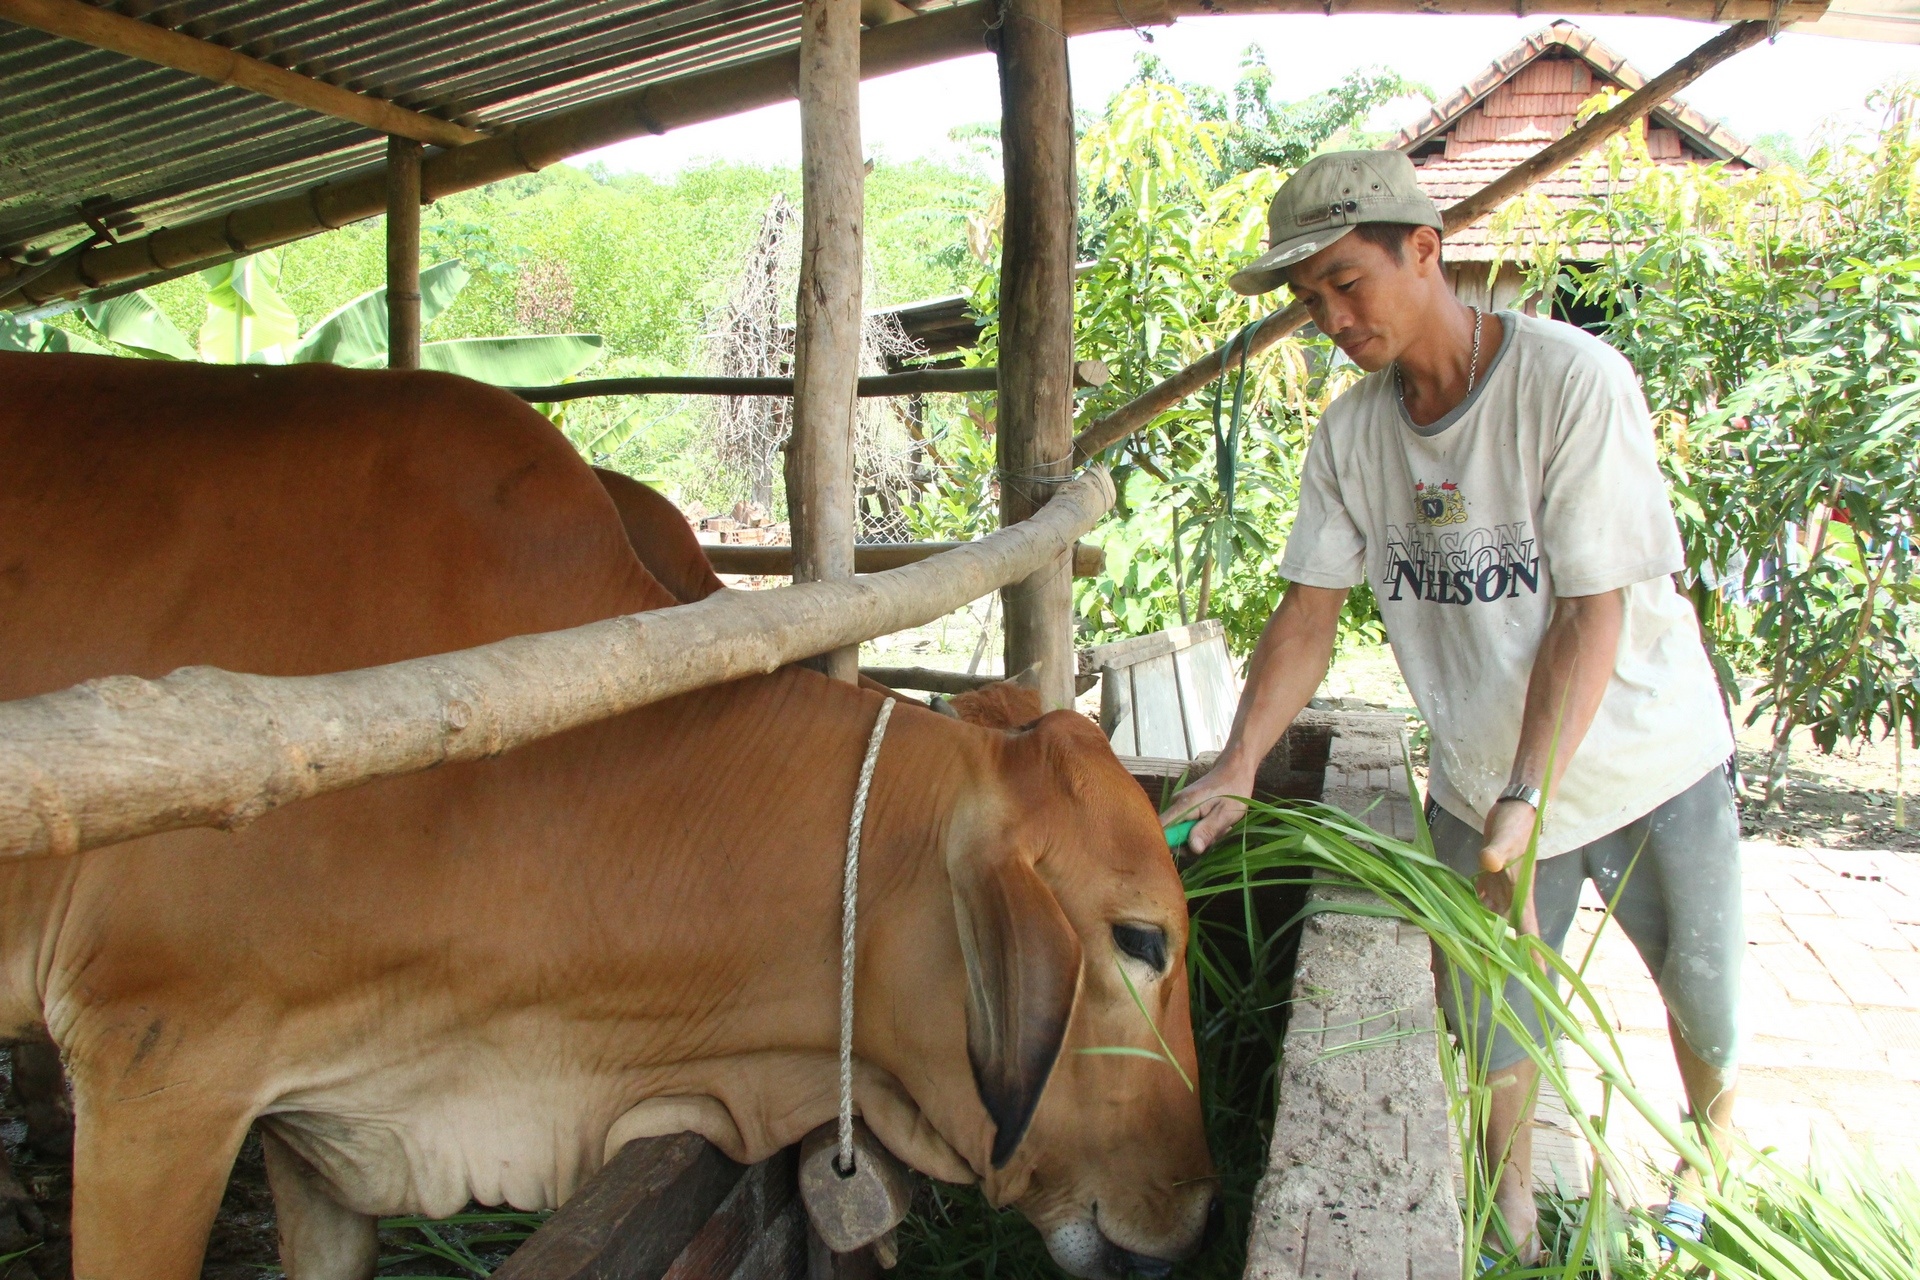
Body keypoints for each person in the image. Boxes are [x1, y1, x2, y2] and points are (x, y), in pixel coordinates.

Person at [1163, 150, 1743, 1263]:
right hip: (1485, 772)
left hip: (1643, 757)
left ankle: (1705, 1164)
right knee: (1491, 1014)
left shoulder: (1571, 383)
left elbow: (1588, 613)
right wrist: (1240, 760)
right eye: (1308, 298)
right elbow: (1308, 613)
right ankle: (1509, 1203)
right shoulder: (1353, 435)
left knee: (1703, 996)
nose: (1329, 315)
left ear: (1424, 251)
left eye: (1346, 281)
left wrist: (1531, 797)